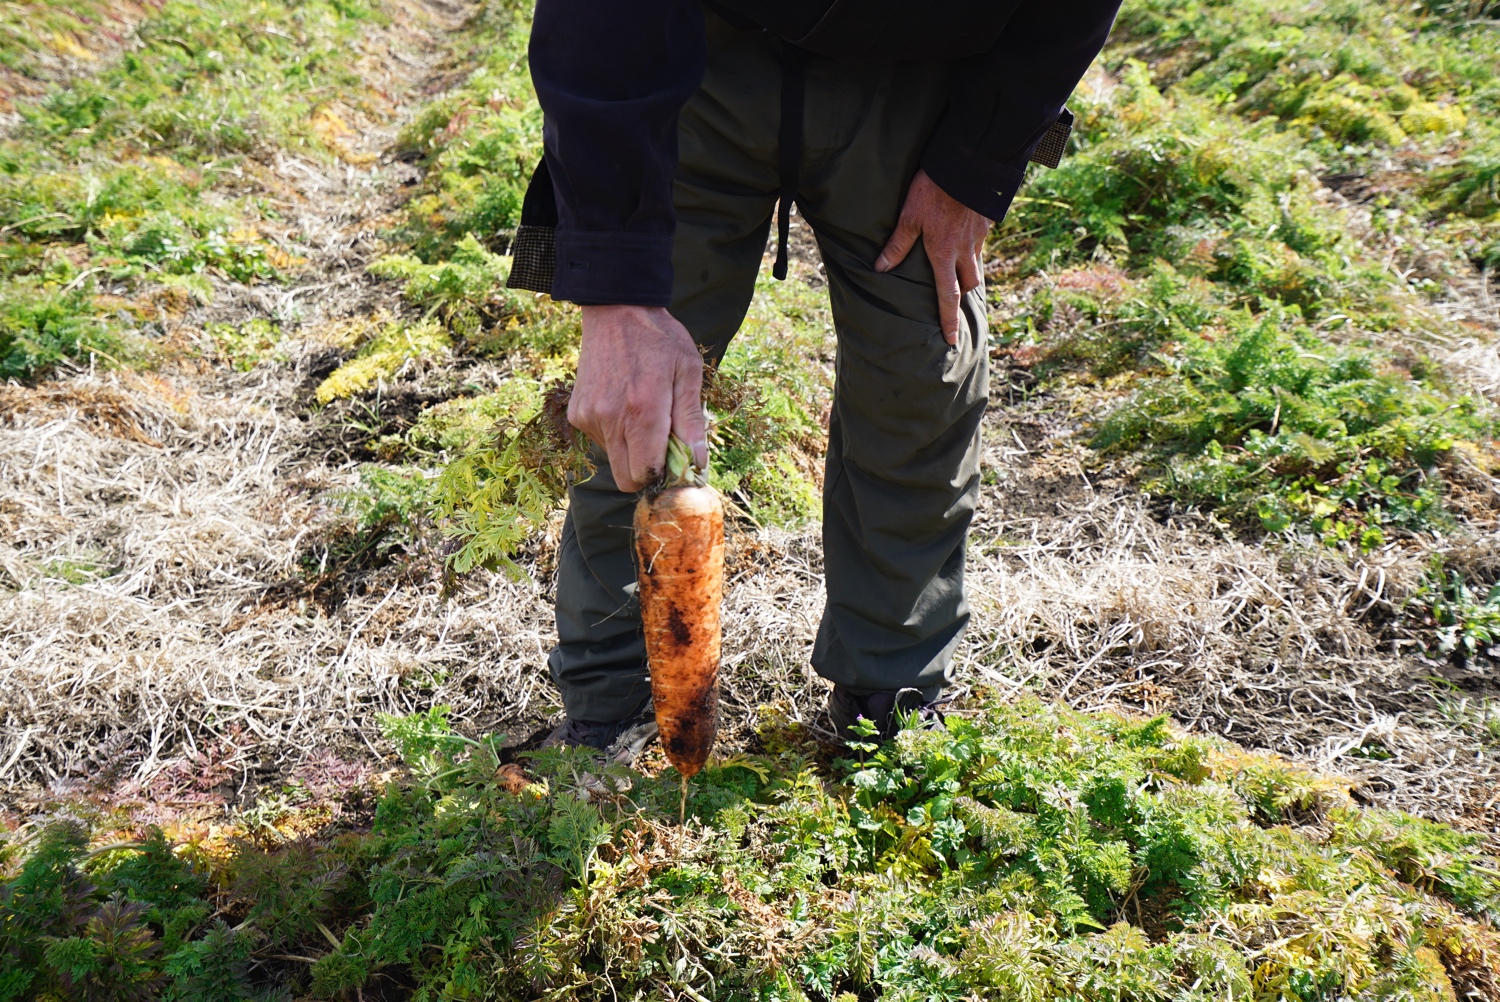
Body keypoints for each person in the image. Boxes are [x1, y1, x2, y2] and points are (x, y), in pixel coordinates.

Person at [508, 0, 1121, 756]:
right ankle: (606, 712)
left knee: (921, 377)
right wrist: (618, 288)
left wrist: (976, 163)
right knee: (637, 405)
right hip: (699, 51)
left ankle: (888, 699)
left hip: (921, 70)